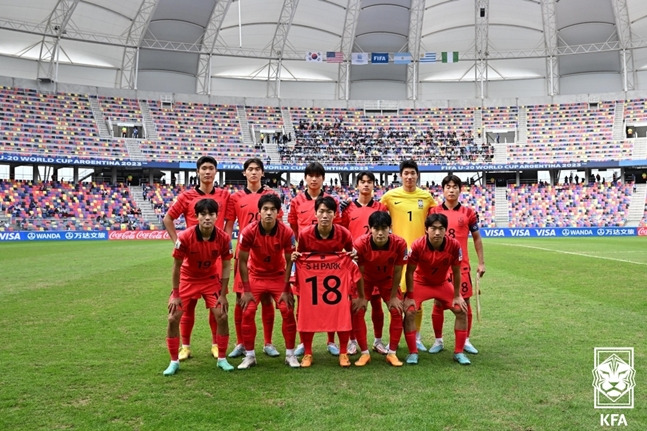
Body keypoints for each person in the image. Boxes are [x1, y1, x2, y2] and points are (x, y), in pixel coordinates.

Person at [163, 156, 230, 361]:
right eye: (204, 169)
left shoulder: (225, 195)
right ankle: (185, 346)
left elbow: (231, 219)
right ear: (198, 172)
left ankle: (216, 345)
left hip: (214, 257)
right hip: (191, 256)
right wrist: (178, 242)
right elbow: (168, 218)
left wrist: (224, 241)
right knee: (188, 305)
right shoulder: (186, 196)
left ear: (216, 172)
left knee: (216, 306)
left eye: (211, 168)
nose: (207, 172)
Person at [292, 196, 366, 367]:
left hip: (336, 282)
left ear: (335, 214)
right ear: (316, 213)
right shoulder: (305, 234)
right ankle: (308, 353)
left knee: (341, 313)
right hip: (312, 282)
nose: (325, 215)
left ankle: (342, 352)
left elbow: (350, 255)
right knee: (306, 313)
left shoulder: (343, 233)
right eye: (321, 211)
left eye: (329, 212)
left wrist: (353, 255)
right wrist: (296, 257)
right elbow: (301, 257)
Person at [224, 158, 281, 359]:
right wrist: (226, 247)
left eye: (257, 169)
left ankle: (268, 342)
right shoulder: (235, 198)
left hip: (267, 254)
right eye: (250, 169)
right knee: (241, 299)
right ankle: (241, 342)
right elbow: (229, 225)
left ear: (263, 173)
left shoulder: (271, 196)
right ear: (244, 173)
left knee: (266, 299)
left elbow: (279, 226)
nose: (254, 172)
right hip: (244, 254)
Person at [237, 194, 300, 369]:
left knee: (287, 311)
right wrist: (247, 289)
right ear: (259, 212)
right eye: (265, 209)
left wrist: (287, 288)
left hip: (278, 277)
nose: (269, 213)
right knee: (248, 312)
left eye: (273, 209)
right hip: (255, 276)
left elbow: (290, 261)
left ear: (279, 213)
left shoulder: (287, 232)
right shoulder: (249, 231)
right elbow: (241, 261)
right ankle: (249, 356)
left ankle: (290, 354)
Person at [380, 159, 437, 351]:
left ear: (417, 175)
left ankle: (417, 337)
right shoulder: (389, 196)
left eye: (413, 173)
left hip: (419, 255)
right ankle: (392, 338)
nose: (410, 177)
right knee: (394, 298)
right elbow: (377, 218)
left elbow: (436, 221)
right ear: (401, 175)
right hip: (396, 255)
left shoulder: (427, 197)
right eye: (406, 173)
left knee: (416, 298)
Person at [287, 162, 343, 356]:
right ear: (305, 178)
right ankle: (304, 341)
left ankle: (330, 341)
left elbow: (338, 228)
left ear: (323, 179)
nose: (313, 179)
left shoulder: (331, 200)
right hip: (306, 260)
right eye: (310, 175)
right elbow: (294, 228)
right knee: (303, 300)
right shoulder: (296, 201)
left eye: (317, 175)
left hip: (329, 259)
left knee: (331, 300)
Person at [428, 175, 485, 355]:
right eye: (448, 187)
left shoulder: (469, 213)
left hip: (462, 266)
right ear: (443, 190)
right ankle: (438, 341)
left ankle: (465, 340)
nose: (451, 190)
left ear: (460, 190)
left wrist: (481, 262)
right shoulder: (434, 211)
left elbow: (476, 238)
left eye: (455, 187)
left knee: (465, 303)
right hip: (440, 265)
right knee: (438, 303)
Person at [404, 213, 470, 365]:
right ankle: (413, 352)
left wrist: (457, 295)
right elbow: (409, 271)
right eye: (433, 228)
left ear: (446, 230)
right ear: (426, 229)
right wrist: (410, 295)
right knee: (410, 311)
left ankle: (458, 352)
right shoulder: (417, 245)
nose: (437, 232)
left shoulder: (453, 245)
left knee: (461, 310)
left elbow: (456, 271)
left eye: (441, 229)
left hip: (442, 283)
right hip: (420, 283)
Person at [354, 211, 412, 367]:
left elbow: (399, 271)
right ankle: (364, 353)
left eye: (384, 228)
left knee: (396, 310)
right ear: (370, 228)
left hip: (388, 279)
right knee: (357, 310)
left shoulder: (400, 244)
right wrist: (361, 296)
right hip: (366, 280)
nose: (380, 233)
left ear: (390, 228)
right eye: (376, 228)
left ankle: (392, 353)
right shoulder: (360, 244)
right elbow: (359, 271)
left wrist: (393, 296)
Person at [341, 171, 389, 355]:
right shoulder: (348, 209)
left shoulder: (381, 208)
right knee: (354, 304)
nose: (366, 185)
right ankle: (353, 341)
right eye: (363, 182)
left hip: (375, 261)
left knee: (376, 303)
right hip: (353, 262)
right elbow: (342, 233)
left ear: (374, 185)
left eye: (370, 182)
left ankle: (377, 340)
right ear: (357, 185)